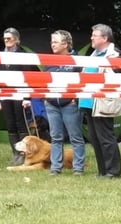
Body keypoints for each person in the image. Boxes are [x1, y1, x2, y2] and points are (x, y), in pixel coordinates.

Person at [80, 24, 121, 179]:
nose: (91, 38)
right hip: (88, 102)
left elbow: (117, 76)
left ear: (105, 38)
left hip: (103, 101)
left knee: (105, 137)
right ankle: (102, 170)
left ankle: (113, 171)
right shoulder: (93, 55)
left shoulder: (114, 54)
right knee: (94, 138)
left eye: (95, 35)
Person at [45, 31, 86, 176]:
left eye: (55, 41)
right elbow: (44, 80)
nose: (52, 44)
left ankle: (78, 168)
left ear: (65, 44)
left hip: (70, 104)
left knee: (75, 137)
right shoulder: (48, 61)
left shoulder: (76, 60)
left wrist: (76, 98)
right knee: (55, 137)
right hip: (51, 104)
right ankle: (55, 167)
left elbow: (83, 80)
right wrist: (45, 96)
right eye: (52, 42)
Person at [0, 28, 29, 166]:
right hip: (4, 93)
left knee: (21, 124)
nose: (6, 41)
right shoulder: (1, 55)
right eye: (4, 38)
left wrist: (27, 98)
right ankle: (15, 153)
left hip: (20, 93)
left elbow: (28, 77)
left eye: (8, 38)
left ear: (16, 39)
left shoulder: (23, 55)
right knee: (10, 124)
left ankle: (23, 154)